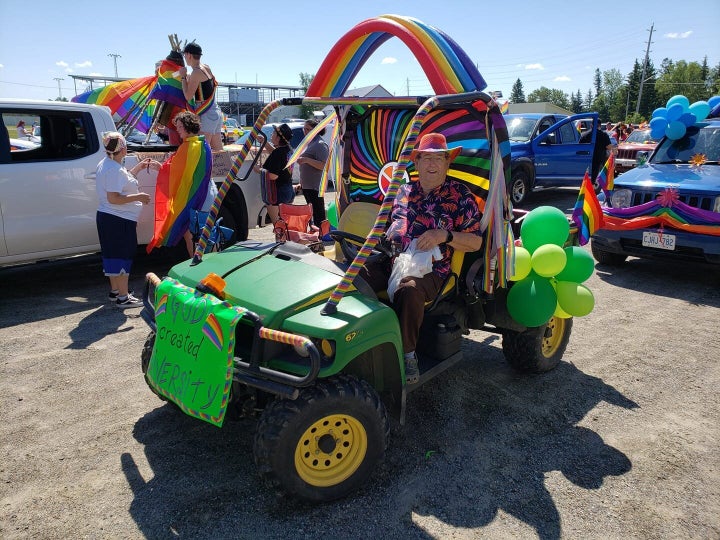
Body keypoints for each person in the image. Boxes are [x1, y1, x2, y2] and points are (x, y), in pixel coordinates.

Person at [360, 133, 483, 384]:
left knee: (409, 290)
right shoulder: (401, 191)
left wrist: (443, 235)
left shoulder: (460, 195)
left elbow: (476, 242)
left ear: (448, 163)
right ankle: (361, 343)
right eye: (426, 158)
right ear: (416, 163)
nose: (432, 164)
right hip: (390, 260)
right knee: (352, 277)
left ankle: (407, 355)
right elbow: (381, 226)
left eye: (439, 158)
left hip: (432, 270)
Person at [95, 132, 155, 307]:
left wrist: (138, 168)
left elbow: (123, 180)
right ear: (122, 149)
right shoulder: (113, 169)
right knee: (122, 255)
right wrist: (139, 197)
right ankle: (123, 297)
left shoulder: (108, 163)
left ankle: (116, 292)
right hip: (117, 219)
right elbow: (114, 198)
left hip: (109, 217)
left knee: (112, 255)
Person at [145, 111, 215, 257]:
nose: (177, 130)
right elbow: (183, 169)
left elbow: (180, 172)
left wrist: (162, 168)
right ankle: (201, 262)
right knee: (199, 231)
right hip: (207, 193)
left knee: (195, 232)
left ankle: (198, 263)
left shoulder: (190, 146)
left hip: (198, 197)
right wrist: (164, 168)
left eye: (180, 127)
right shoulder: (202, 142)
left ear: (188, 126)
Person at [179, 42, 223, 152]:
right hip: (215, 111)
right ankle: (228, 170)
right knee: (218, 151)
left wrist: (183, 77)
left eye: (185, 55)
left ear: (189, 55)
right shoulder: (205, 67)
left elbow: (188, 96)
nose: (185, 58)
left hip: (207, 113)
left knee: (202, 150)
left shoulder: (196, 73)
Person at [254, 123, 294, 224]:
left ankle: (280, 240)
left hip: (278, 192)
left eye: (273, 133)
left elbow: (273, 176)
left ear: (278, 137)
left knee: (278, 224)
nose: (271, 135)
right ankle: (283, 239)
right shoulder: (288, 149)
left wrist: (258, 170)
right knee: (283, 223)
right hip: (287, 190)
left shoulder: (278, 153)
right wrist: (264, 142)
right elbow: (275, 153)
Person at [297, 119, 329, 226]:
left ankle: (322, 234)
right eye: (304, 129)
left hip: (315, 186)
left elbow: (324, 165)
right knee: (312, 212)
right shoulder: (310, 143)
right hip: (308, 185)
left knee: (318, 213)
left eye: (308, 129)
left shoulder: (320, 144)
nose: (305, 131)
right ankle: (317, 233)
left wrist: (306, 160)